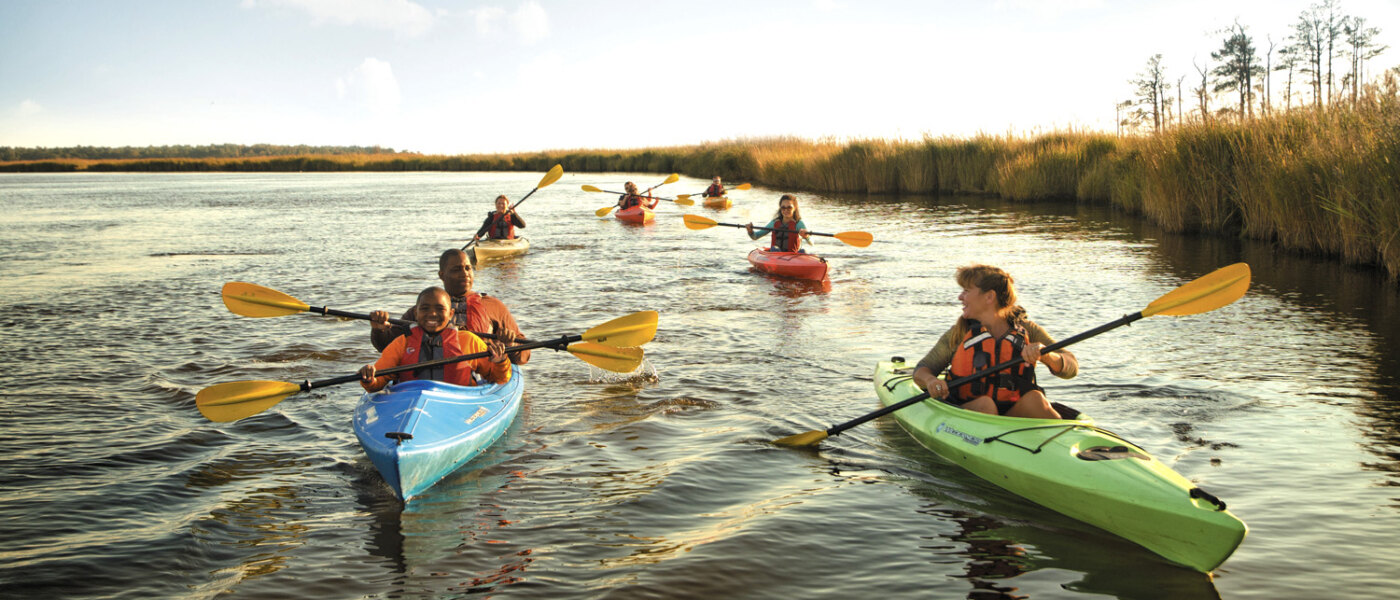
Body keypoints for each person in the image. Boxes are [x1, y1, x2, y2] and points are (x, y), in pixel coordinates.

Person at [910, 264, 1078, 419]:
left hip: (1013, 413)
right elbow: (922, 370)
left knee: (1036, 399)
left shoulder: (1029, 330)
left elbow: (1071, 368)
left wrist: (1046, 356)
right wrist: (931, 381)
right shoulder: (960, 333)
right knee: (986, 405)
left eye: (967, 291)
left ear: (989, 297)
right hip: (968, 412)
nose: (960, 297)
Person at [370, 249, 531, 365]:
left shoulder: (492, 305)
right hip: (431, 373)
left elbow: (524, 354)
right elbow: (387, 347)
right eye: (456, 269)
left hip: (479, 376)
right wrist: (380, 330)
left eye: (468, 268)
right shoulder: (425, 308)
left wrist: (511, 345)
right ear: (442, 275)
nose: (465, 273)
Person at [359, 286, 511, 392]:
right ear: (416, 313)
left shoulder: (468, 341)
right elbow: (377, 383)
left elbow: (499, 379)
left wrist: (500, 361)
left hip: (460, 401)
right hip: (412, 400)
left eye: (440, 309)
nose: (432, 314)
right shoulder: (402, 343)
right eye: (425, 309)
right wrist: (369, 378)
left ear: (451, 314)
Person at [745, 194, 810, 253]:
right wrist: (750, 231)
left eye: (789, 207)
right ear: (780, 208)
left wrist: (806, 236)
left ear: (795, 208)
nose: (786, 210)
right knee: (775, 249)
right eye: (783, 207)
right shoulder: (774, 223)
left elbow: (811, 243)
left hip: (792, 257)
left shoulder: (798, 223)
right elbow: (755, 236)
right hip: (775, 255)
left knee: (803, 251)